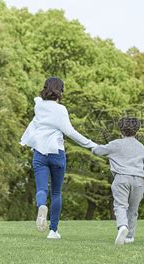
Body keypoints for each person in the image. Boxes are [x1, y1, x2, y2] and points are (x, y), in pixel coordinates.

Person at [20, 77, 97, 240]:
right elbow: (70, 132)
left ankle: (41, 206)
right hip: (57, 154)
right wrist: (91, 144)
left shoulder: (38, 106)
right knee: (56, 192)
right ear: (60, 92)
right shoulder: (60, 109)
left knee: (42, 189)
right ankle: (53, 231)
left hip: (40, 154)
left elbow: (34, 123)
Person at [92, 117, 144, 245]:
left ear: (120, 130)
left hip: (122, 178)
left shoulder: (115, 144)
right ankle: (129, 237)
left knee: (120, 205)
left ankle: (122, 226)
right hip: (139, 181)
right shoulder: (140, 146)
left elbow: (98, 151)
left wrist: (92, 146)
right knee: (133, 209)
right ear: (137, 131)